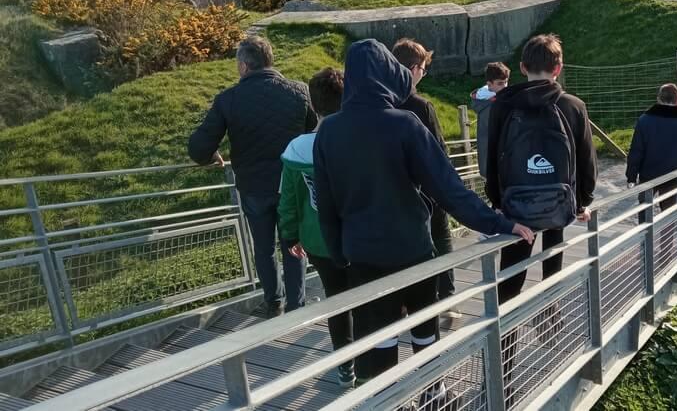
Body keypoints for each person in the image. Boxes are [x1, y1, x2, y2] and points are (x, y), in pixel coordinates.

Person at [312, 39, 533, 383]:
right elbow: (448, 189)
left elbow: (325, 205)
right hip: (412, 251)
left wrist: (341, 256)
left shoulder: (328, 132)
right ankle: (435, 395)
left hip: (364, 257)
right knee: (424, 335)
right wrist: (500, 223)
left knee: (379, 340)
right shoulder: (405, 124)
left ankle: (385, 402)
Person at [188, 35, 315, 318]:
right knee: (293, 242)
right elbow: (312, 134)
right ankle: (297, 306)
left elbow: (198, 148)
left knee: (264, 247)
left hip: (254, 187)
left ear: (244, 66)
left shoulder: (228, 100)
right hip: (290, 185)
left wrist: (211, 156)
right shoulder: (300, 92)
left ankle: (274, 303)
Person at [485, 33, 598, 305]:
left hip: (516, 207)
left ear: (523, 68)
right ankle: (550, 312)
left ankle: (505, 338)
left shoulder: (502, 105)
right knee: (553, 256)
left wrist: (497, 202)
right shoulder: (573, 106)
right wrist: (583, 202)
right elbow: (586, 160)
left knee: (511, 275)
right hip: (559, 203)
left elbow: (492, 158)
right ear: (558, 69)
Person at [278, 68, 354, 387]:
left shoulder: (298, 147)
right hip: (359, 236)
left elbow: (289, 200)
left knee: (336, 298)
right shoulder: (357, 138)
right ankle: (373, 360)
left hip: (319, 240)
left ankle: (344, 366)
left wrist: (291, 235)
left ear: (312, 102)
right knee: (367, 297)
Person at [390, 38, 457, 317]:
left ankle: (404, 302)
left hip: (394, 189)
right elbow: (438, 151)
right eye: (423, 70)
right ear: (414, 69)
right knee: (440, 236)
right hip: (427, 189)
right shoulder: (421, 106)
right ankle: (447, 297)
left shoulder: (382, 101)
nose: (423, 75)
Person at [626, 83, 677, 210]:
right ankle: (668, 229)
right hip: (671, 175)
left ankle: (645, 229)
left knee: (644, 208)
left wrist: (631, 176)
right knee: (668, 210)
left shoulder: (644, 120)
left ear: (658, 99)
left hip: (648, 175)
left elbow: (636, 150)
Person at [470, 62, 511, 182]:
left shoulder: (483, 100)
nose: (504, 86)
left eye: (506, 82)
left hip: (487, 165)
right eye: (500, 83)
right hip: (500, 164)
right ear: (489, 84)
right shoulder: (495, 104)